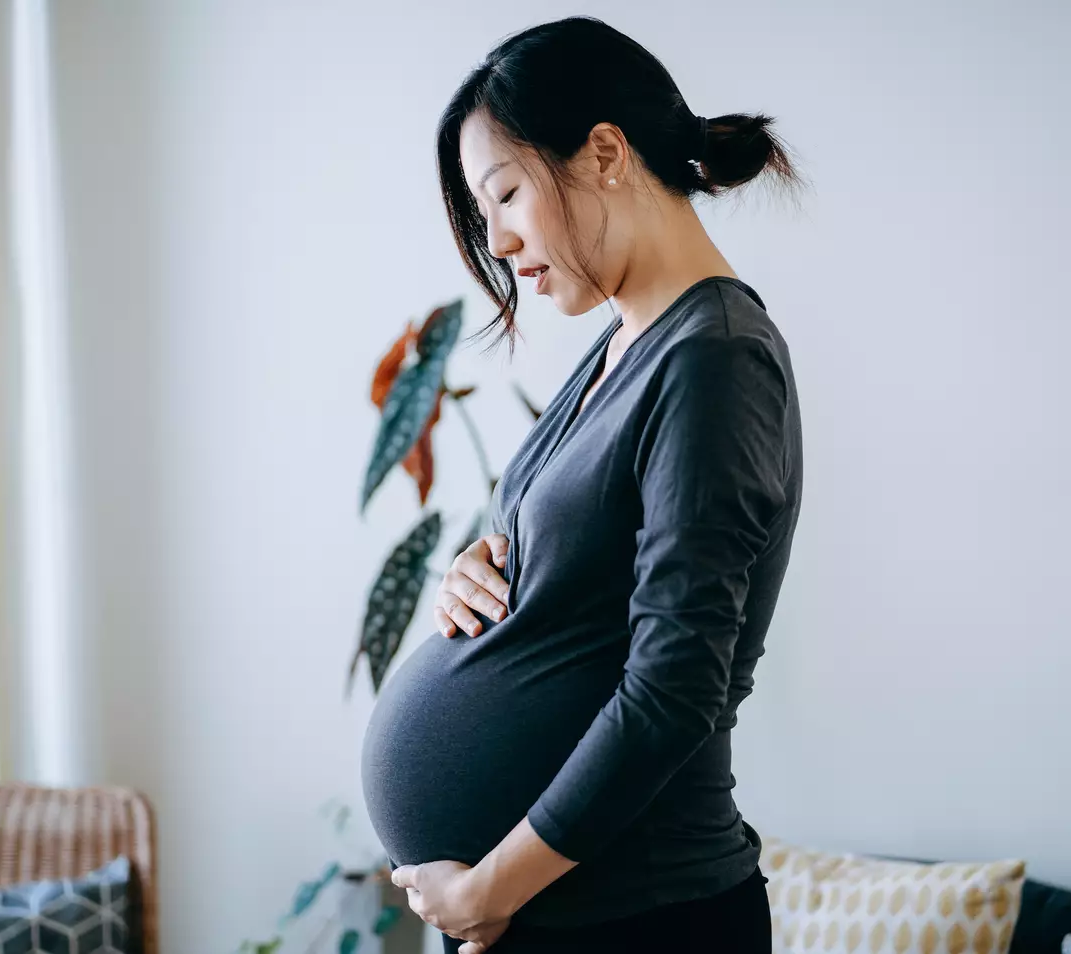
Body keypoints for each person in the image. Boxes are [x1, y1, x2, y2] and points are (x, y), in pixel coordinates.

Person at [361, 16, 804, 953]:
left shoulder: (713, 356)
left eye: (507, 195)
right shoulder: (624, 348)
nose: (499, 244)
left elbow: (675, 686)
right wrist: (472, 576)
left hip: (640, 917)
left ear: (604, 152)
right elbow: (573, 581)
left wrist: (489, 886)